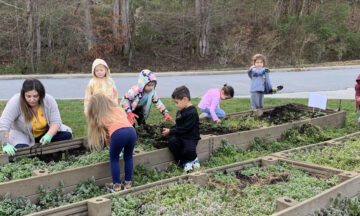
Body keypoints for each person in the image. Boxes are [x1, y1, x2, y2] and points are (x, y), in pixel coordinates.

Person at [0, 79, 72, 156]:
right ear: (23, 94)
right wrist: (5, 143)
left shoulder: (49, 100)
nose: (32, 99)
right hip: (23, 134)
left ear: (41, 95)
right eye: (28, 96)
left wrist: (49, 135)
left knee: (66, 135)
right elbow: (4, 124)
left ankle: (46, 149)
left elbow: (56, 121)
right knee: (23, 150)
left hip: (44, 133)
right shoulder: (15, 101)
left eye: (35, 96)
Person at [86, 93, 136, 192]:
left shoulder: (101, 116)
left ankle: (116, 185)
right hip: (132, 131)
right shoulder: (118, 109)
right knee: (128, 157)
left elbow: (108, 136)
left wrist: (110, 144)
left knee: (114, 159)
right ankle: (128, 183)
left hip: (118, 134)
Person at [162, 86, 201, 172]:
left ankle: (193, 159)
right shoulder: (180, 111)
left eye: (177, 102)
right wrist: (170, 131)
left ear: (185, 99)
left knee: (188, 150)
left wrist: (171, 131)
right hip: (181, 135)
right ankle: (183, 162)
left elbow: (185, 128)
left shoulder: (192, 112)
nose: (176, 105)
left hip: (190, 136)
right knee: (172, 142)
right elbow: (179, 126)